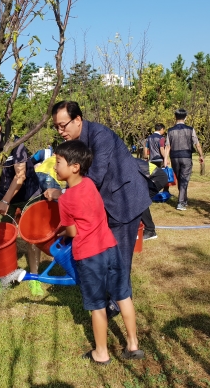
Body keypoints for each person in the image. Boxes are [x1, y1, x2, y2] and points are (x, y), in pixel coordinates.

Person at [45, 101, 151, 300]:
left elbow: (93, 177)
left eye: (63, 125)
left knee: (119, 259)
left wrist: (63, 196)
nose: (60, 131)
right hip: (103, 204)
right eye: (56, 126)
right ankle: (110, 297)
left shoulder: (100, 136)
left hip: (124, 201)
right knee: (105, 255)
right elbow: (75, 175)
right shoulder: (75, 144)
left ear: (77, 120)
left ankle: (117, 303)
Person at [54, 140, 144, 364]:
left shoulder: (65, 200)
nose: (55, 167)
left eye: (58, 162)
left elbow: (72, 231)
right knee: (123, 295)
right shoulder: (90, 185)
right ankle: (133, 345)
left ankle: (101, 353)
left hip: (89, 255)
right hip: (111, 247)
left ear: (74, 166)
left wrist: (60, 231)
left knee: (97, 305)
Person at [0, 112, 43, 297]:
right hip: (2, 196)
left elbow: (20, 176)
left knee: (31, 237)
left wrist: (6, 201)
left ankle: (35, 278)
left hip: (28, 193)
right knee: (0, 236)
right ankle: (5, 278)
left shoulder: (15, 145)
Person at [163, 108, 204, 211]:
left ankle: (184, 200)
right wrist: (201, 155)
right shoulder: (190, 129)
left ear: (175, 117)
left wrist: (165, 159)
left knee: (181, 179)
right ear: (185, 117)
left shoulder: (170, 131)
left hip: (174, 158)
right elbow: (197, 144)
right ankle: (181, 203)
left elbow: (167, 146)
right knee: (184, 179)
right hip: (186, 157)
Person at [136, 158, 169, 241]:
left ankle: (150, 231)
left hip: (158, 177)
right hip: (151, 177)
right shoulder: (122, 161)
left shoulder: (125, 164)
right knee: (136, 200)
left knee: (141, 201)